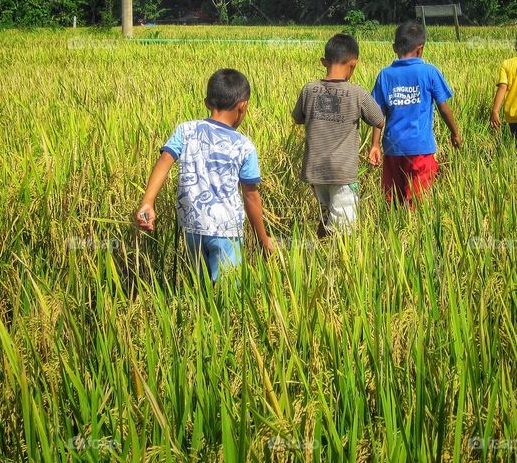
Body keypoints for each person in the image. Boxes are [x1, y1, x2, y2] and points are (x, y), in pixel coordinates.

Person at [135, 68, 275, 282]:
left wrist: (147, 202)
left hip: (192, 228)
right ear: (243, 105)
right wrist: (262, 238)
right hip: (226, 231)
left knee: (201, 290)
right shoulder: (244, 146)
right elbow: (250, 196)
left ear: (207, 102)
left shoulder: (186, 130)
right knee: (227, 296)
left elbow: (164, 162)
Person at [292, 33, 385, 236]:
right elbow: (379, 119)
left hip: (315, 171)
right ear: (353, 64)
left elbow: (298, 118)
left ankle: (320, 257)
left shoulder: (309, 89)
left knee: (324, 219)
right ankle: (338, 264)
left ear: (324, 61)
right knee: (344, 231)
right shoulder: (357, 93)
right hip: (342, 172)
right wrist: (375, 145)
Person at [371, 21, 461, 205]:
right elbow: (443, 108)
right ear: (420, 49)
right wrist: (455, 133)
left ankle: (394, 231)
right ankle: (414, 232)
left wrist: (375, 144)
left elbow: (378, 113)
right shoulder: (429, 72)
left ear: (394, 47)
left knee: (393, 200)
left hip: (392, 149)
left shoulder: (385, 75)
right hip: (420, 148)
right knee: (418, 202)